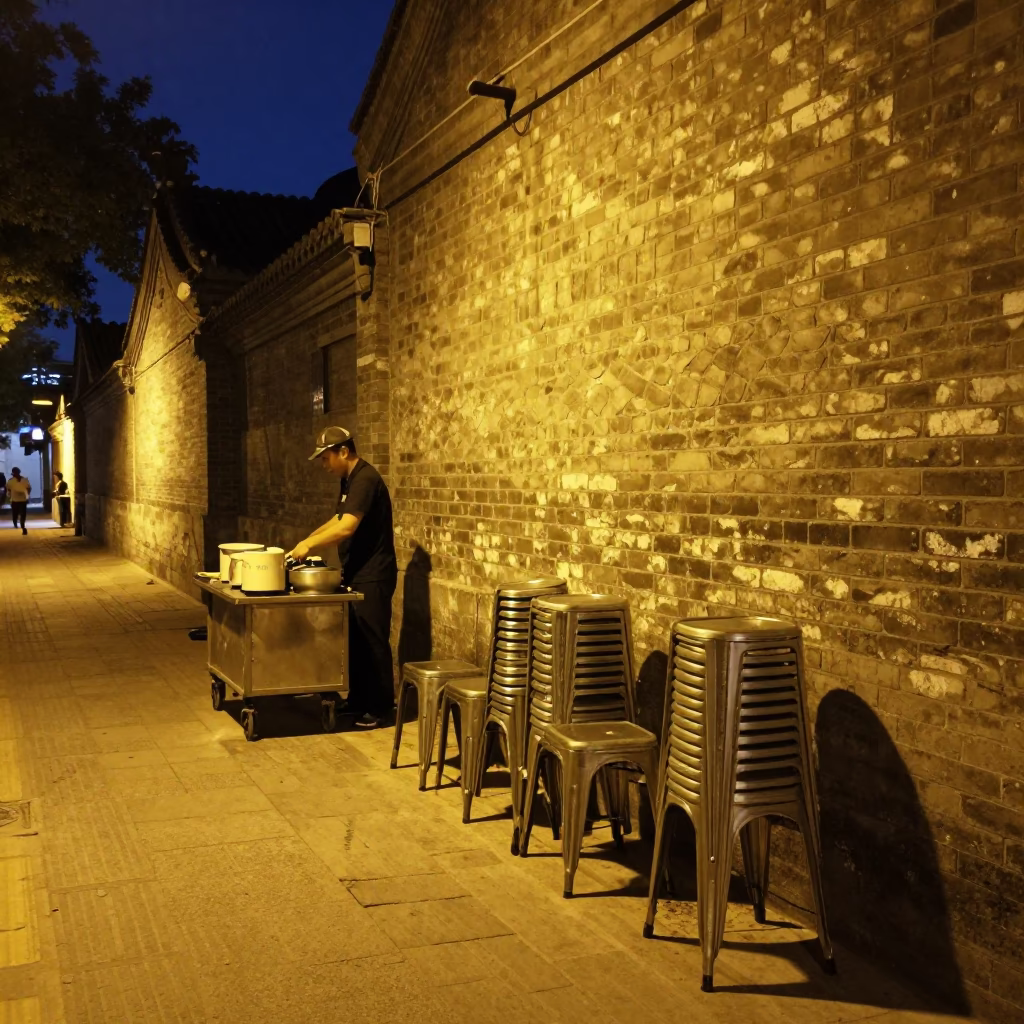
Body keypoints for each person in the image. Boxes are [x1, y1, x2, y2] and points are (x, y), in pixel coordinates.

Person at [287, 427, 398, 729]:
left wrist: (310, 545)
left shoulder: (365, 479)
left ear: (343, 452)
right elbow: (338, 517)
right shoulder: (349, 480)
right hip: (357, 569)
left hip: (374, 573)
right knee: (357, 640)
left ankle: (381, 708)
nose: (324, 465)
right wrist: (310, 537)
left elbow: (347, 527)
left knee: (373, 639)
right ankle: (359, 699)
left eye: (326, 458)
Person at [7, 468, 30, 534]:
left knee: (17, 513)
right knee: (20, 513)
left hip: (17, 500)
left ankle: (21, 525)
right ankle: (20, 525)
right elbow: (28, 488)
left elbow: (8, 490)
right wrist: (27, 495)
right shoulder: (24, 480)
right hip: (19, 500)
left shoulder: (11, 481)